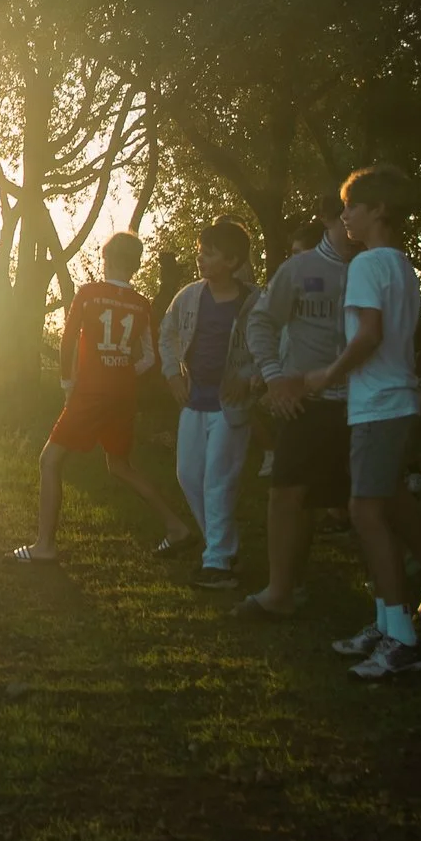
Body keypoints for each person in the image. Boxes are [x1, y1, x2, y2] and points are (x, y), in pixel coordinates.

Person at [315, 166, 421, 680]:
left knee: (364, 509)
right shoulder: (400, 264)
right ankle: (384, 620)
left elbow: (369, 334)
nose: (344, 215)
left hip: (380, 403)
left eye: (351, 206)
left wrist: (328, 374)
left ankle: (401, 638)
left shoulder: (368, 263)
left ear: (378, 211)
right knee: (381, 502)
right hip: (394, 401)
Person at [10, 231, 195, 563]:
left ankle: (44, 546)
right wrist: (122, 373)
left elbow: (68, 343)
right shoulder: (141, 304)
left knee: (49, 461)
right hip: (123, 394)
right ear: (136, 265)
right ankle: (176, 525)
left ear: (107, 259)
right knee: (120, 465)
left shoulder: (89, 294)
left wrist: (68, 386)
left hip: (90, 392)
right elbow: (149, 359)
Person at [238, 210, 356, 620]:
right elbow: (261, 320)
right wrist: (274, 377)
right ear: (335, 217)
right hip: (309, 401)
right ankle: (282, 590)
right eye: (344, 212)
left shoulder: (379, 264)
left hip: (366, 401)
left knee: (378, 501)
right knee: (288, 494)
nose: (349, 221)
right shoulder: (301, 268)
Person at [158, 219, 261, 589]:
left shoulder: (254, 303)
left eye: (210, 253)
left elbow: (275, 347)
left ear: (232, 261)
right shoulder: (188, 296)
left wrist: (252, 378)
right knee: (188, 475)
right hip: (193, 400)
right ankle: (223, 547)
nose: (201, 258)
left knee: (219, 479)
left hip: (230, 406)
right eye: (201, 251)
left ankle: (217, 562)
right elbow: (167, 334)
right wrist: (172, 375)